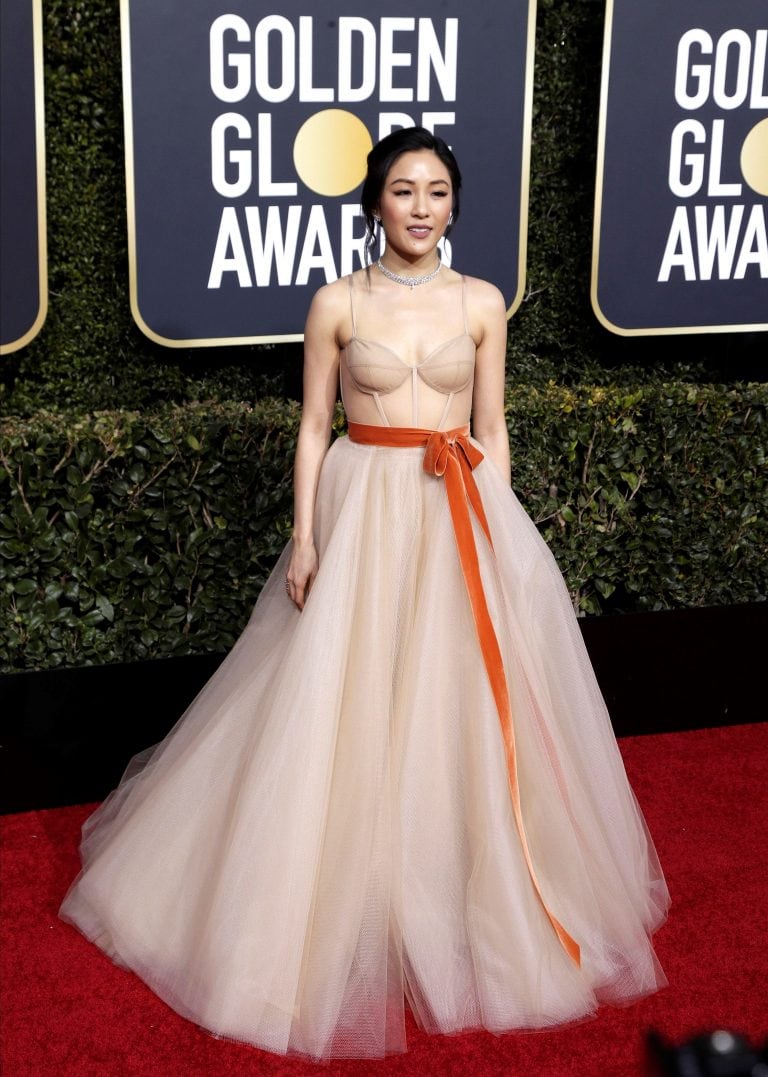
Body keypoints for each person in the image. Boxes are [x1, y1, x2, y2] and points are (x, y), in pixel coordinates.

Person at [60, 127, 669, 1061]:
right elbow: (312, 427)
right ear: (373, 203)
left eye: (434, 191)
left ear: (454, 203)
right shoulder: (337, 301)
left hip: (457, 512)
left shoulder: (481, 301)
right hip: (363, 507)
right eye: (401, 190)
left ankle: (460, 890)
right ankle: (338, 897)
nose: (419, 207)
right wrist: (305, 535)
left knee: (455, 704)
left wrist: (501, 538)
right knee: (338, 702)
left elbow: (494, 425)